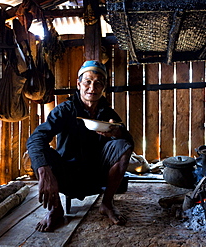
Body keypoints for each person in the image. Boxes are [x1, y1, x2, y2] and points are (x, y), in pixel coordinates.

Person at [26, 60, 134, 232]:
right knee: (40, 153)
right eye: (88, 82)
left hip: (97, 174)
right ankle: (56, 209)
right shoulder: (65, 110)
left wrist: (116, 133)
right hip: (66, 174)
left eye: (98, 83)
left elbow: (129, 142)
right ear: (79, 84)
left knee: (123, 145)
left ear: (103, 87)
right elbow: (36, 138)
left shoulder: (108, 113)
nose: (92, 87)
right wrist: (44, 169)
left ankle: (106, 204)